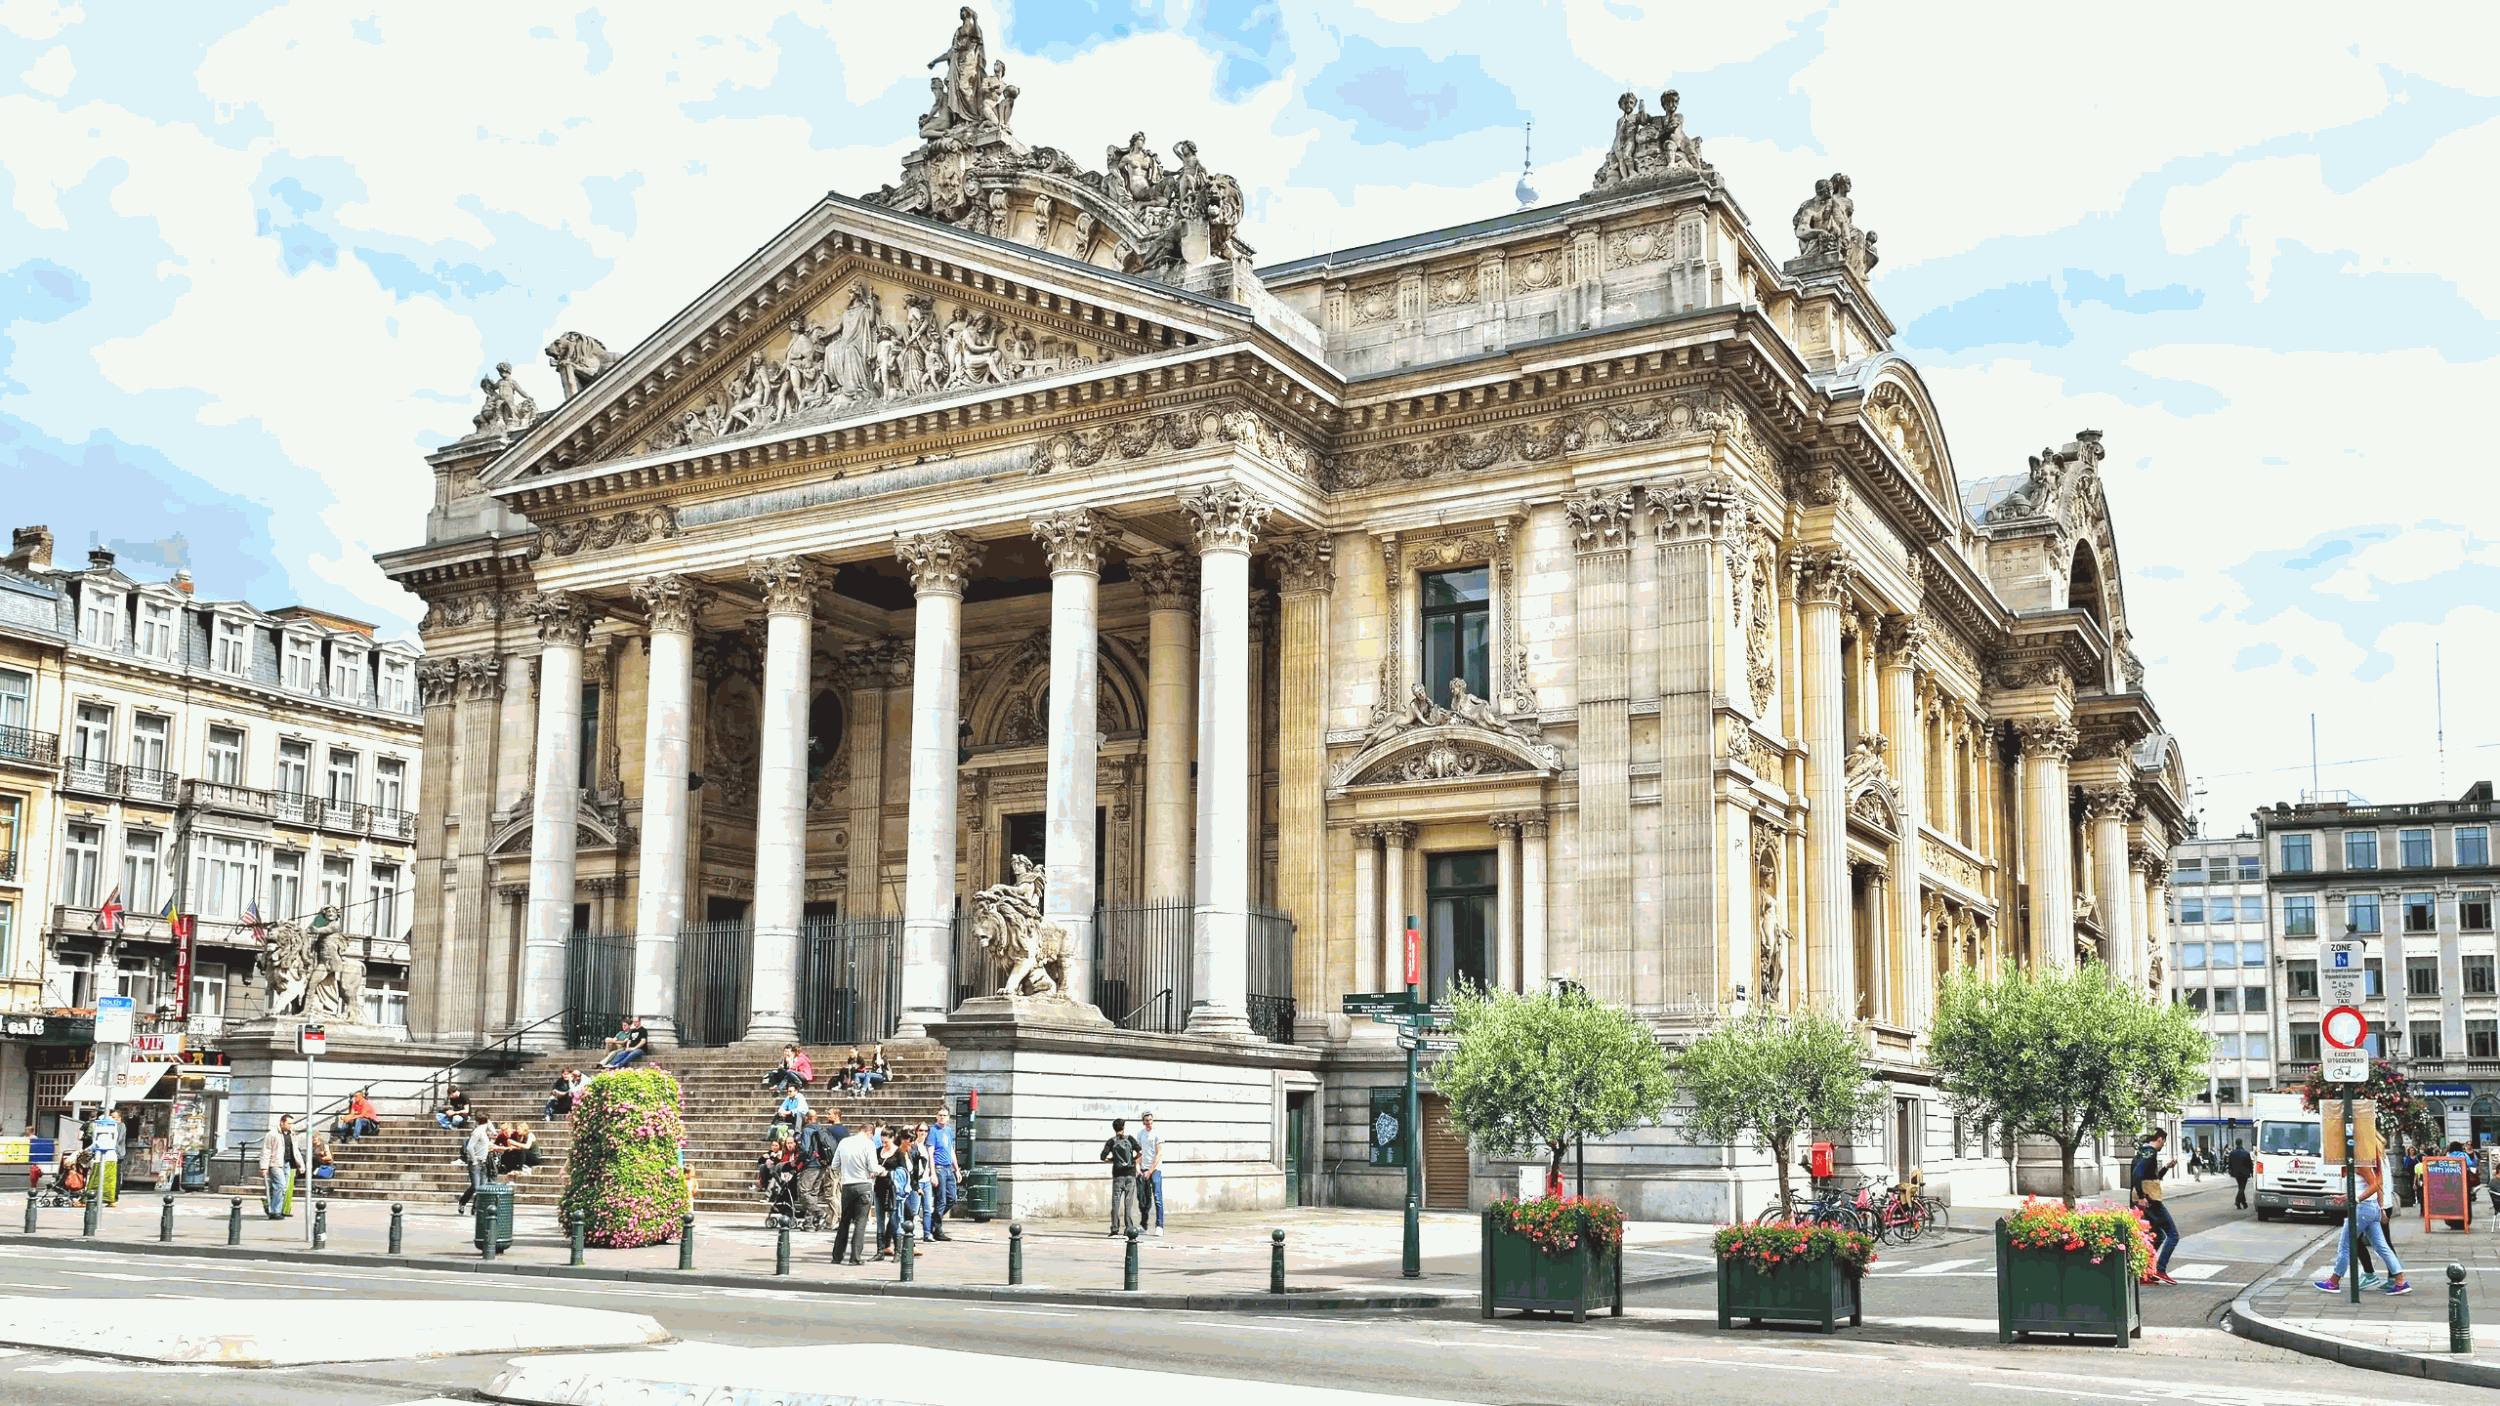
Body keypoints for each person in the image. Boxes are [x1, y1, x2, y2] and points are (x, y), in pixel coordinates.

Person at [2317, 1150, 2412, 1295]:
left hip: (2363, 1209)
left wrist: (2357, 1200)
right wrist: (2349, 1197)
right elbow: (2370, 1185)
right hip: (2371, 1207)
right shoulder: (2365, 1161)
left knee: (2345, 1245)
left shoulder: (2361, 1163)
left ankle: (2334, 1282)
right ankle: (2400, 1280)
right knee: (2381, 1246)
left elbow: (2374, 1185)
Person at [2129, 1130, 2181, 1285]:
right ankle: (2160, 1269)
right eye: (2163, 1142)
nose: (2163, 1145)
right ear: (2159, 1139)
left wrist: (2166, 1167)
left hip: (2144, 1199)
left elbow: (2150, 1176)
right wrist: (2141, 1196)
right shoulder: (2150, 1153)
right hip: (2151, 1200)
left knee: (2158, 1235)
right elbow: (2137, 1174)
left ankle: (2146, 1272)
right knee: (2173, 1234)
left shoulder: (2141, 1153)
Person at [830, 1119, 880, 1265]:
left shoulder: (844, 1142)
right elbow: (873, 1168)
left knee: (844, 1221)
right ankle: (855, 1257)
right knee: (860, 1222)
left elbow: (835, 1165)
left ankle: (837, 1256)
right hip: (864, 1185)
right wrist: (882, 1171)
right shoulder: (869, 1143)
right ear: (869, 1132)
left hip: (847, 1185)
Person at [1100, 1117, 1142, 1238]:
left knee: (1116, 1202)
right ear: (1123, 1127)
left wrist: (1112, 1160)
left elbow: (1102, 1156)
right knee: (1128, 1203)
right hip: (1130, 1175)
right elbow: (1140, 1151)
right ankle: (1128, 1228)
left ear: (1114, 1129)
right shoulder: (1130, 1139)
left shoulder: (1111, 1141)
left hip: (1118, 1175)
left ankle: (1114, 1228)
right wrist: (1132, 1160)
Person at [260, 1114, 308, 1220]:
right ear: (282, 1122)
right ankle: (275, 1212)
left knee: (282, 1188)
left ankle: (272, 1207)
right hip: (275, 1163)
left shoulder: (292, 1135)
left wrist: (301, 1164)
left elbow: (295, 1151)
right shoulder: (272, 1134)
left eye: (292, 1123)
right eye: (289, 1123)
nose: (291, 1125)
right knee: (280, 1186)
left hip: (287, 1163)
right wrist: (264, 1167)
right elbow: (266, 1150)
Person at [797, 1111, 839, 1231]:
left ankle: (820, 1213)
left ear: (808, 1118)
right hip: (822, 1164)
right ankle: (809, 1222)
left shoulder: (807, 1130)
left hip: (811, 1164)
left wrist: (799, 1160)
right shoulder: (822, 1128)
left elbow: (805, 1149)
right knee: (813, 1193)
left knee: (804, 1191)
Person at [924, 1106, 959, 1242]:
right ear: (936, 1116)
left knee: (952, 1198)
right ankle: (936, 1229)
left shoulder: (949, 1131)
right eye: (940, 1115)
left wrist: (957, 1169)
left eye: (944, 1115)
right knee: (941, 1200)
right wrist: (933, 1173)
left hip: (949, 1168)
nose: (942, 1117)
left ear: (948, 1117)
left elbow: (951, 1150)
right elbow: (930, 1154)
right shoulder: (933, 1131)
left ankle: (933, 1220)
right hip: (939, 1168)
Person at [457, 1117, 500, 1213]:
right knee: (475, 1186)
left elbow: (494, 1134)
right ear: (487, 1122)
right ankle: (462, 1201)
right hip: (476, 1163)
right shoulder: (477, 1132)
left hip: (484, 1163)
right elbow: (469, 1147)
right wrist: (474, 1160)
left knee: (483, 1187)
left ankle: (476, 1209)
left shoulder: (484, 1133)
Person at [1136, 1111, 1165, 1237]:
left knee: (1157, 1197)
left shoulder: (1157, 1133)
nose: (1149, 1123)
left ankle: (1159, 1225)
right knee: (1144, 1199)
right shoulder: (1140, 1134)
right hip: (1143, 1169)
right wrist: (1137, 1167)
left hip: (1155, 1170)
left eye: (1151, 1120)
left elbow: (1159, 1154)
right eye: (1147, 1121)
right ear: (1144, 1122)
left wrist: (1151, 1170)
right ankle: (1143, 1225)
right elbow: (1139, 1153)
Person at [88, 1107, 121, 1206]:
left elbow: (95, 1142)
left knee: (96, 1178)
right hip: (110, 1156)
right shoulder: (114, 1129)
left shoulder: (98, 1127)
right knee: (109, 1180)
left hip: (101, 1156)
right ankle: (110, 1199)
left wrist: (87, 1150)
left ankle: (90, 1198)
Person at [2226, 1139, 2254, 1210]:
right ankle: (2237, 1201)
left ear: (2236, 1144)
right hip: (2245, 1173)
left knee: (2240, 1187)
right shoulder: (2246, 1153)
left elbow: (2230, 1164)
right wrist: (2252, 1172)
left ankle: (2244, 1203)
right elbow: (2250, 1164)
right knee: (2242, 1188)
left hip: (2236, 1173)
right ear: (2242, 1143)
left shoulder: (2232, 1153)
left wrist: (2230, 1171)